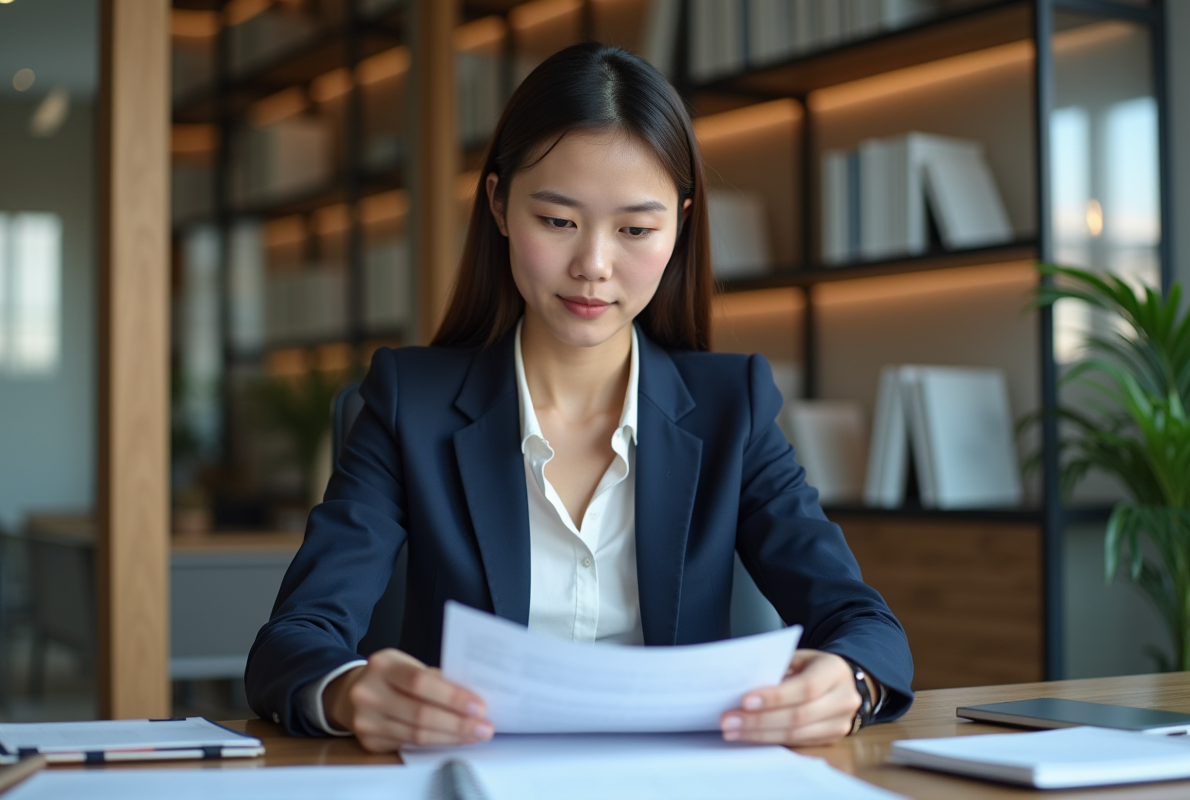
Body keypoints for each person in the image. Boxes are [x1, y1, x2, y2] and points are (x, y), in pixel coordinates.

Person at [245, 41, 913, 753]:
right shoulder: (411, 403)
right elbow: (294, 641)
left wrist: (851, 682)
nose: (593, 265)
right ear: (499, 204)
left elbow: (866, 625)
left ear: (680, 225)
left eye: (635, 229)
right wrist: (347, 693)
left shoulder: (732, 409)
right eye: (558, 221)